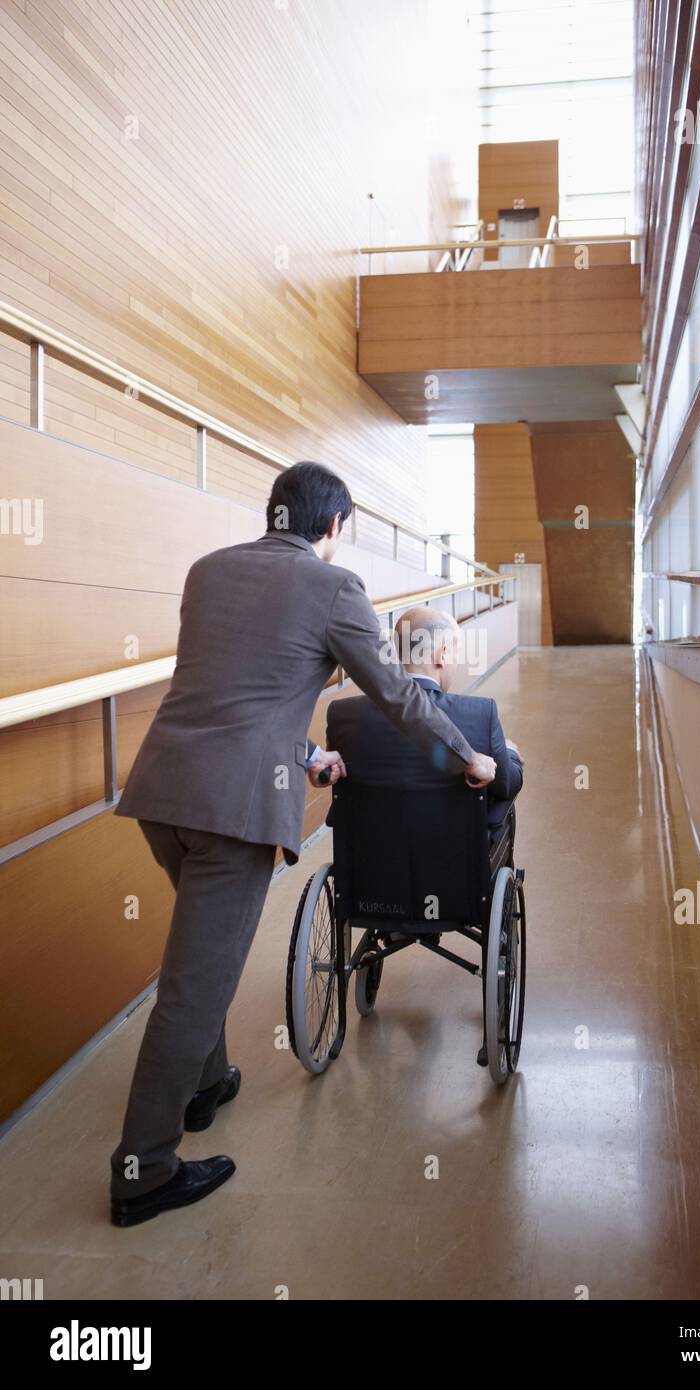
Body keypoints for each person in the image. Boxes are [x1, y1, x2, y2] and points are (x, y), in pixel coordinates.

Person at [109, 463, 496, 1227]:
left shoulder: (207, 572)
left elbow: (238, 695)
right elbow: (399, 694)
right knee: (193, 985)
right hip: (231, 811)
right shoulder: (334, 587)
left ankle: (206, 1083)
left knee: (202, 952)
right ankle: (143, 1171)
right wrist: (468, 755)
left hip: (162, 792)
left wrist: (309, 757)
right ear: (333, 526)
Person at [326, 605, 524, 848]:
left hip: (371, 860)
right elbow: (507, 784)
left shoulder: (343, 714)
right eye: (455, 653)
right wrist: (510, 754)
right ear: (442, 655)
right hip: (453, 860)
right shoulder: (481, 714)